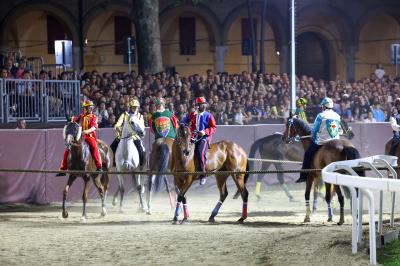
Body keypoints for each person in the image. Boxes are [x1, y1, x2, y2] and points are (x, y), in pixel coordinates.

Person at [296, 97, 342, 183]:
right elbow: (340, 130)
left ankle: (303, 176)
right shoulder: (337, 116)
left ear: (324, 106)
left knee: (307, 154)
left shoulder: (320, 115)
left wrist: (313, 137)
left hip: (322, 142)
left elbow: (314, 130)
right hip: (336, 140)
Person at [56, 100, 102, 176]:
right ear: (85, 108)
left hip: (89, 136)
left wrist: (86, 131)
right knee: (68, 148)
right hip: (80, 136)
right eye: (89, 108)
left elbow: (94, 128)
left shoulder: (94, 117)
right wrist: (69, 117)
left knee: (94, 147)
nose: (90, 109)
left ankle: (99, 166)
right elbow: (73, 119)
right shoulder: (81, 116)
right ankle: (63, 169)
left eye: (91, 107)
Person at [182, 96, 217, 185]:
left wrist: (204, 132)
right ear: (197, 105)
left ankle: (203, 174)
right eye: (201, 104)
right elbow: (185, 120)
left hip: (203, 138)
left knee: (200, 152)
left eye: (204, 104)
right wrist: (182, 124)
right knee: (185, 150)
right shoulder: (193, 114)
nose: (203, 106)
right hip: (193, 137)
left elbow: (213, 128)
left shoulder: (209, 116)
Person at [110, 99, 146, 167]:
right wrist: (118, 128)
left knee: (140, 149)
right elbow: (117, 124)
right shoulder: (124, 115)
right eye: (133, 107)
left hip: (135, 136)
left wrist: (139, 132)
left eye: (136, 107)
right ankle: (113, 163)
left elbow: (142, 127)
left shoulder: (140, 116)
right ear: (130, 107)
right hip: (123, 136)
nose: (135, 108)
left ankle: (141, 165)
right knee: (112, 147)